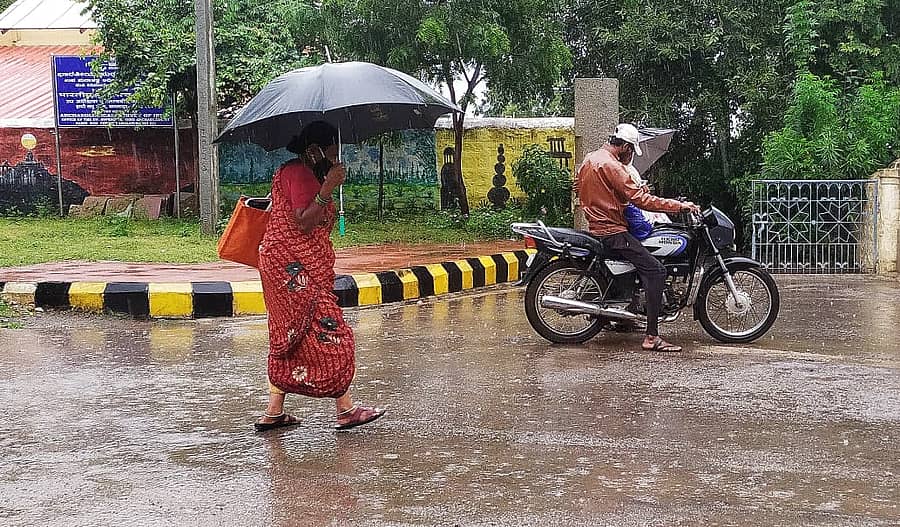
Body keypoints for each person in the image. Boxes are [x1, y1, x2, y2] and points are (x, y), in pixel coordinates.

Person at [254, 120, 385, 432]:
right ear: (315, 150)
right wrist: (328, 188)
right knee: (332, 331)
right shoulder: (299, 172)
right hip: (294, 269)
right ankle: (346, 410)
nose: (336, 156)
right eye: (333, 150)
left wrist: (325, 183)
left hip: (281, 264)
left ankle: (274, 411)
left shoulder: (297, 171)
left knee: (289, 334)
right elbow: (303, 222)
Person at [575, 123, 700, 352]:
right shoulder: (613, 166)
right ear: (625, 146)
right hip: (613, 231)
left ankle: (625, 314)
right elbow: (642, 201)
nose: (631, 155)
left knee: (639, 266)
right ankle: (651, 337)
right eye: (632, 150)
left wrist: (614, 199)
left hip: (598, 227)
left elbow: (578, 187)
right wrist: (679, 206)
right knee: (656, 271)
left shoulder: (590, 159)